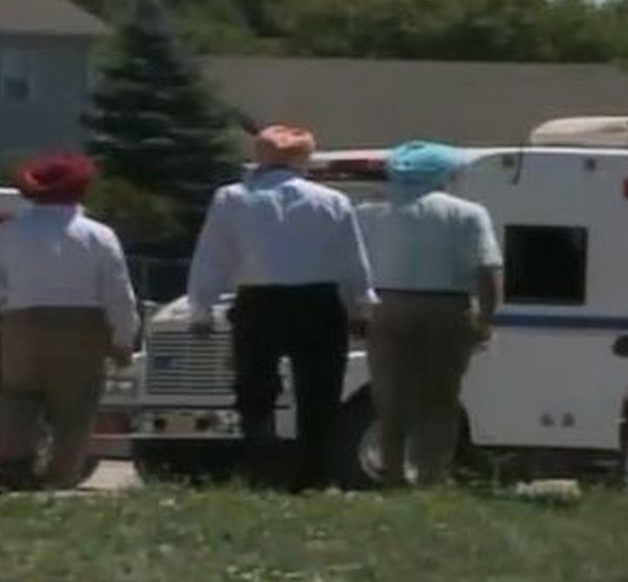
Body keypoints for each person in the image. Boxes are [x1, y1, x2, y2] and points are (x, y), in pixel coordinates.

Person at [187, 124, 375, 492]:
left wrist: (201, 307)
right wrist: (361, 306)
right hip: (317, 301)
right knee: (319, 392)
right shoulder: (331, 200)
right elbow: (352, 258)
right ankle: (312, 477)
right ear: (304, 158)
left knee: (255, 392)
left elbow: (212, 256)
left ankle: (262, 471)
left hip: (259, 301)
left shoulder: (231, 197)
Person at [0, 153, 139, 490]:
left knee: (17, 398)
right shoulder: (99, 235)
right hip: (83, 327)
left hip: (20, 323)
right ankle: (60, 476)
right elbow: (118, 292)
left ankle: (16, 468)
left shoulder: (6, 234)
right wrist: (123, 337)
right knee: (76, 407)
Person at [356, 140, 503, 487]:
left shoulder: (368, 213)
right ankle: (430, 476)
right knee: (439, 397)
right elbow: (488, 269)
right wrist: (485, 318)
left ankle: (392, 474)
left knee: (391, 395)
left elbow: (352, 265)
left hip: (387, 306)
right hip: (447, 308)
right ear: (442, 174)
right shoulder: (468, 213)